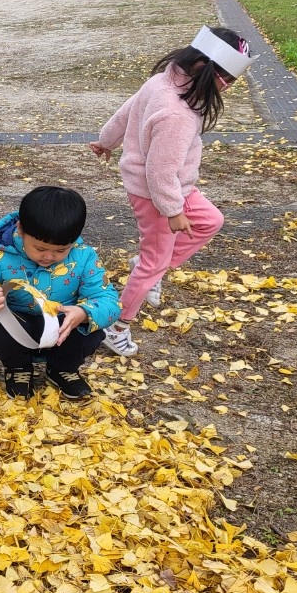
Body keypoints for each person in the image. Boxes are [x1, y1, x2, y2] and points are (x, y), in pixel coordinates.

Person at [89, 25, 257, 357]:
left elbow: (126, 112)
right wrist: (174, 212)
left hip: (173, 189)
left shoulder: (164, 82)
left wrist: (106, 140)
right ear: (203, 69)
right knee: (153, 262)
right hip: (156, 194)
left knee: (210, 220)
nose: (228, 88)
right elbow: (159, 171)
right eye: (228, 81)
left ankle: (152, 268)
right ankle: (116, 326)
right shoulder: (176, 114)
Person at [0, 186, 121, 399]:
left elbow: (109, 301)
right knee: (1, 326)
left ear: (74, 240)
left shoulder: (84, 258)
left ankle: (63, 368)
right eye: (40, 249)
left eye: (60, 251)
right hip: (21, 325)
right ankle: (18, 368)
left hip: (61, 327)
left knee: (91, 328)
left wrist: (83, 313)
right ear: (20, 230)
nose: (49, 257)